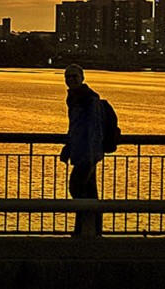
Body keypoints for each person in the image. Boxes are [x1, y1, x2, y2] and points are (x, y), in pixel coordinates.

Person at [59, 63, 104, 237]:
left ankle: (86, 229)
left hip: (88, 153)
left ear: (82, 78)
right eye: (67, 77)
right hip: (80, 152)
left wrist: (91, 156)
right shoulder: (73, 98)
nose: (70, 80)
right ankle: (89, 231)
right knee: (89, 193)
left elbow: (94, 128)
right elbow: (74, 127)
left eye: (74, 77)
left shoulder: (89, 98)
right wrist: (68, 147)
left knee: (77, 188)